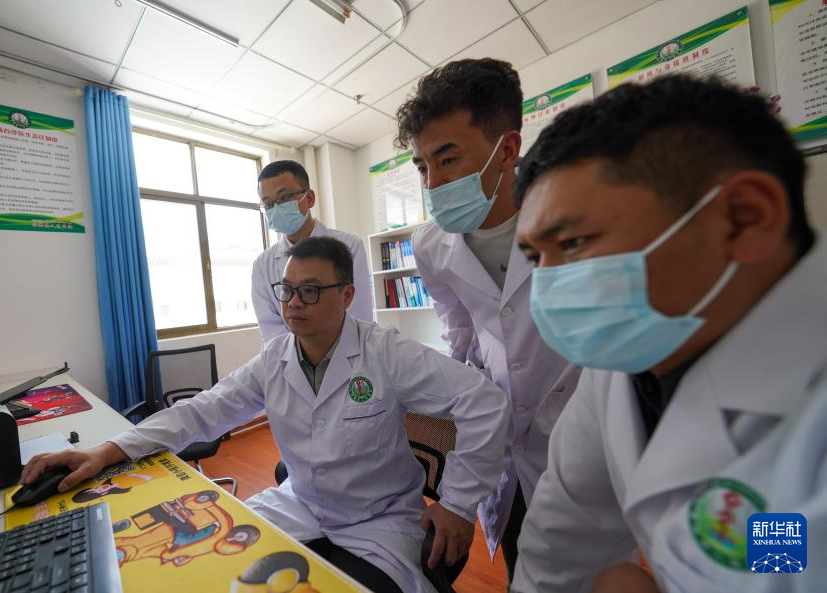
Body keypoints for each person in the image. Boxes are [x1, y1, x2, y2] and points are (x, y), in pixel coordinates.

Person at [23, 236, 511, 593]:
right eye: (288, 289)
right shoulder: (274, 358)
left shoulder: (387, 351)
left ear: (347, 295)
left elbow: (485, 401)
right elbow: (202, 411)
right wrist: (107, 450)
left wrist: (457, 502)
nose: (294, 303)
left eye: (311, 290)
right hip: (299, 503)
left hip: (379, 521)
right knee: (208, 573)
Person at [510, 74, 824, 592]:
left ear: (744, 219)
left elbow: (791, 567)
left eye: (573, 243)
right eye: (534, 258)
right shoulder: (625, 356)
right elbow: (563, 528)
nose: (548, 287)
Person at [394, 58, 581, 580]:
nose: (434, 183)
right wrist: (467, 400)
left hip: (578, 424)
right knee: (521, 557)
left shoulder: (573, 217)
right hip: (502, 435)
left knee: (590, 563)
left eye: (448, 159)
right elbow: (459, 330)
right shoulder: (430, 244)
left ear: (508, 149)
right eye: (422, 166)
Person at [252, 160, 373, 342]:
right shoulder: (263, 264)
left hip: (347, 352)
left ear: (309, 198)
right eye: (268, 204)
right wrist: (302, 355)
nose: (276, 209)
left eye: (284, 198)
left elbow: (359, 315)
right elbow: (271, 332)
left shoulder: (350, 245)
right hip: (289, 356)